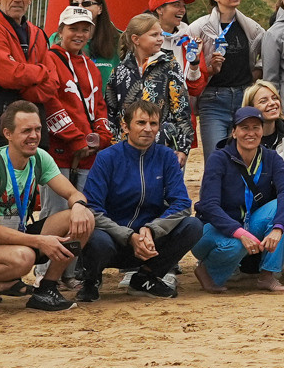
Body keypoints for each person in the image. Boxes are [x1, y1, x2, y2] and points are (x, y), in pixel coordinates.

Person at [0, 101, 96, 314]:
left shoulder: (39, 158)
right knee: (25, 258)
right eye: (26, 130)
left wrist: (78, 206)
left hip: (16, 234)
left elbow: (73, 193)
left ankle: (47, 289)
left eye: (38, 129)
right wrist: (40, 241)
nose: (34, 136)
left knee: (86, 219)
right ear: (8, 134)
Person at [78, 98, 201, 299]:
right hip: (114, 240)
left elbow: (182, 204)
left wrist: (152, 229)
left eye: (153, 124)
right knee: (94, 235)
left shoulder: (166, 157)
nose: (148, 129)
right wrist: (128, 236)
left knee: (193, 225)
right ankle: (90, 280)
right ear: (125, 126)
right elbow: (93, 209)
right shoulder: (106, 158)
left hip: (149, 240)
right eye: (141, 123)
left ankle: (146, 277)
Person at [191, 104, 284, 294]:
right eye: (244, 128)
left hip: (249, 224)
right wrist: (239, 232)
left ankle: (268, 275)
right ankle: (206, 270)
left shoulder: (271, 157)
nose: (250, 133)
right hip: (213, 228)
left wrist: (278, 228)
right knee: (235, 245)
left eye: (255, 128)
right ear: (234, 132)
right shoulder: (219, 159)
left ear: (261, 131)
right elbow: (209, 205)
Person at [189, 0, 266, 155]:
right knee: (215, 157)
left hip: (243, 97)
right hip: (213, 99)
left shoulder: (251, 27)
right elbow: (189, 64)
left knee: (244, 156)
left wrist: (256, 73)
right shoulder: (199, 27)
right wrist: (209, 69)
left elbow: (267, 53)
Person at [41, 6, 113, 188]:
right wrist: (75, 139)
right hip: (59, 155)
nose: (79, 35)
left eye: (85, 30)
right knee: (57, 213)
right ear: (60, 31)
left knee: (86, 209)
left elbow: (99, 105)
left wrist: (101, 137)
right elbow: (50, 103)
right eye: (73, 29)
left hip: (89, 154)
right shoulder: (49, 59)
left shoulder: (92, 67)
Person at [108, 13, 198, 157]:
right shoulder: (119, 71)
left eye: (161, 34)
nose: (160, 39)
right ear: (136, 39)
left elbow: (181, 109)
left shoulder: (170, 66)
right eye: (154, 35)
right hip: (126, 150)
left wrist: (182, 147)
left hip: (164, 148)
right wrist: (114, 144)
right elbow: (111, 111)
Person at [65, 0, 123, 69]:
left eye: (86, 3)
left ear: (100, 8)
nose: (80, 7)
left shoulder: (118, 38)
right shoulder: (59, 38)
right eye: (75, 4)